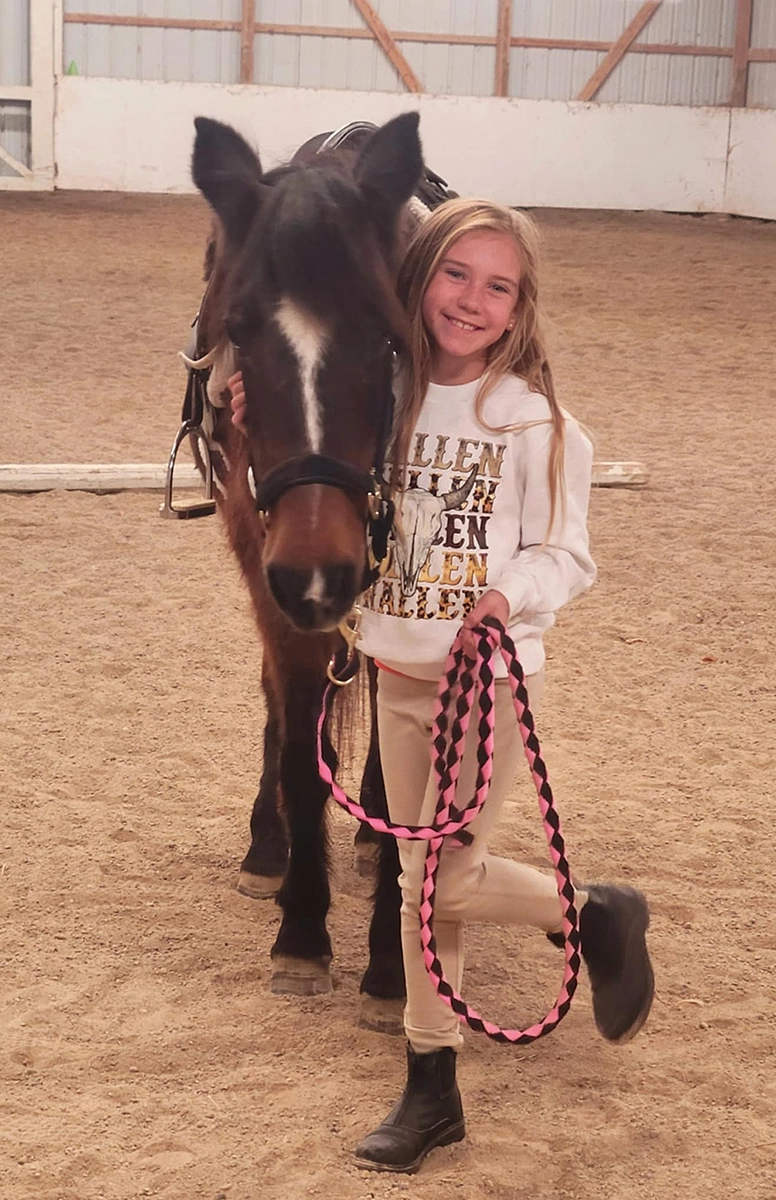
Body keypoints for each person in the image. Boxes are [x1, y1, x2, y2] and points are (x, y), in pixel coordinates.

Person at [229, 198, 654, 1176]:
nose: (470, 299)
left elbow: (569, 555)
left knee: (435, 883)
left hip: (486, 683)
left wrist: (508, 595)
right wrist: (261, 412)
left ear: (519, 306)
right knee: (433, 896)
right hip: (396, 677)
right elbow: (313, 443)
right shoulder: (385, 394)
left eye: (496, 285)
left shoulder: (537, 424)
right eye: (454, 275)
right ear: (418, 283)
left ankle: (592, 914)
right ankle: (433, 1095)